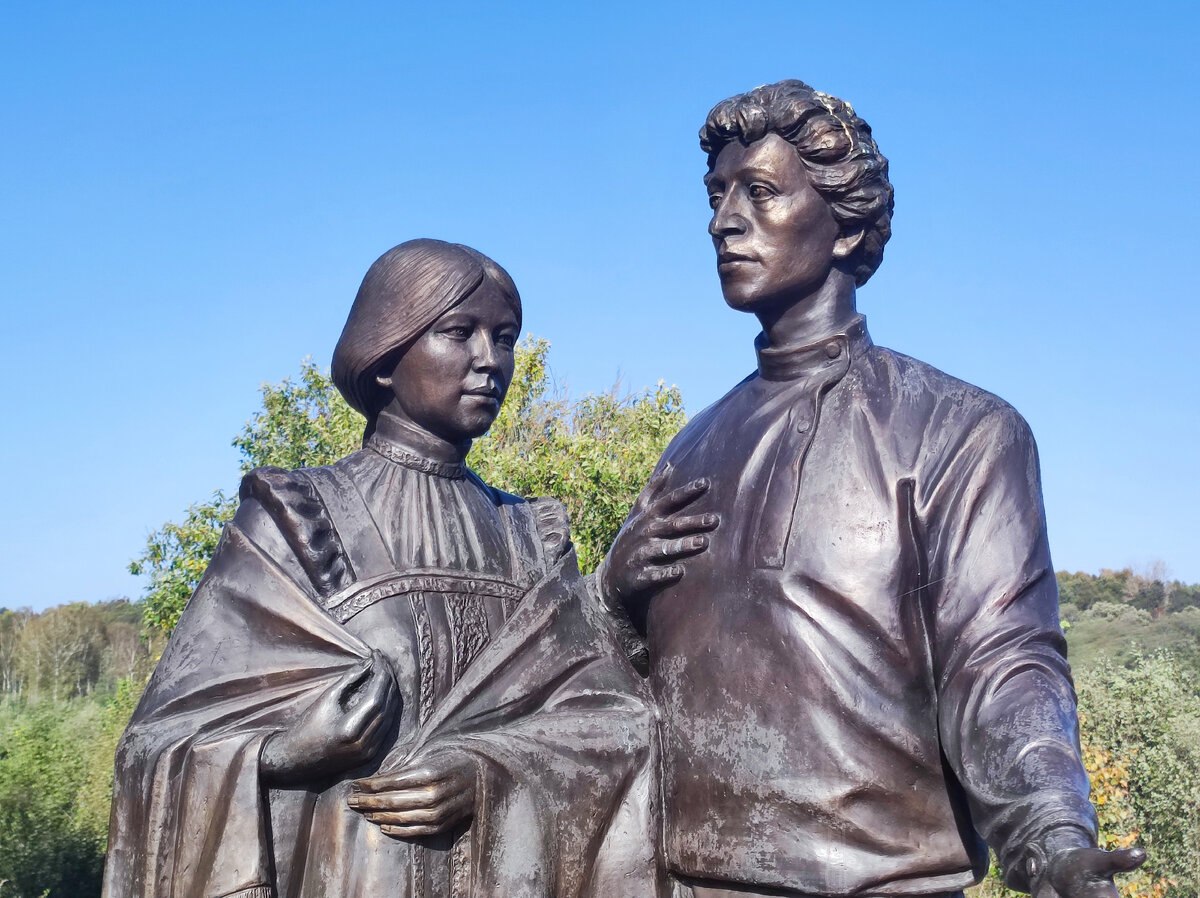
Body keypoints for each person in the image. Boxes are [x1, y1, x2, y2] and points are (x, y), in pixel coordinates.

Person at [601, 80, 1144, 898]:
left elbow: (1002, 660)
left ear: (847, 224)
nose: (724, 221)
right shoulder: (690, 450)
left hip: (882, 883)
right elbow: (633, 686)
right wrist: (609, 595)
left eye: (759, 192)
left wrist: (1051, 836)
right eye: (716, 195)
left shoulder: (960, 431)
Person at [104, 239, 657, 898]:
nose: (490, 359)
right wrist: (281, 753)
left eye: (505, 338)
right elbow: (157, 744)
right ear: (386, 355)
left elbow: (614, 725)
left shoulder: (532, 539)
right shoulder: (294, 520)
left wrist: (489, 774)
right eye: (460, 332)